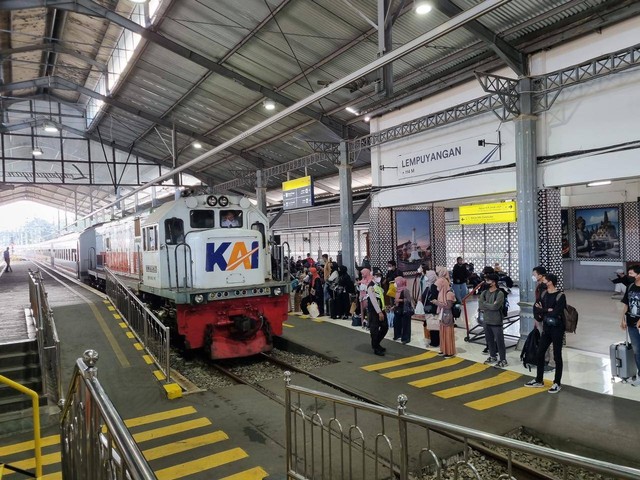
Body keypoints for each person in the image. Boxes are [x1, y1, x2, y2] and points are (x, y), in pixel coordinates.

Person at [525, 273, 567, 394]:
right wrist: (546, 310)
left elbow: (556, 312)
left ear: (551, 282)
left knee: (557, 355)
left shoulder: (560, 296)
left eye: (545, 280)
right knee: (540, 352)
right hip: (547, 327)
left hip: (557, 329)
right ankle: (539, 380)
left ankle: (557, 383)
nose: (543, 281)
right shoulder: (543, 294)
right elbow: (537, 308)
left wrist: (544, 311)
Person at [479, 273, 507, 368]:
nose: (486, 282)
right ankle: (492, 356)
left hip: (496, 321)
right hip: (486, 320)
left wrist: (486, 304)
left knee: (499, 341)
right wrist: (489, 305)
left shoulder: (499, 293)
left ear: (494, 282)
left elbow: (495, 307)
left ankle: (503, 359)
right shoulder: (484, 293)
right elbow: (481, 306)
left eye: (488, 281)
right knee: (489, 340)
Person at [620, 265, 640, 386]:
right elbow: (626, 304)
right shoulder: (630, 287)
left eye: (631, 274)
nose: (629, 276)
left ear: (639, 275)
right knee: (637, 350)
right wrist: (622, 319)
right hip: (632, 324)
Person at [432, 266, 456, 358]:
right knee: (442, 332)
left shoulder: (448, 293)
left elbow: (448, 306)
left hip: (447, 314)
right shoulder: (442, 292)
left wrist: (437, 303)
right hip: (443, 314)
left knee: (447, 333)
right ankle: (443, 349)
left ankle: (449, 351)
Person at [365, 268, 388, 356]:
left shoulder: (378, 286)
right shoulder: (371, 286)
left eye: (380, 275)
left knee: (385, 327)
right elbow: (373, 300)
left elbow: (381, 299)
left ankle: (377, 343)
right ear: (373, 276)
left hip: (381, 310)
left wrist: (383, 309)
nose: (379, 277)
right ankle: (375, 347)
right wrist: (379, 312)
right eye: (377, 275)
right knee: (374, 330)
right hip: (375, 312)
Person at [421, 270, 440, 348]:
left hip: (432, 309)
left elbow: (432, 298)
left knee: (434, 327)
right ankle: (433, 341)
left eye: (427, 276)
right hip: (429, 308)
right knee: (432, 326)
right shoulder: (430, 285)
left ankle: (435, 342)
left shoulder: (434, 287)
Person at [393, 276, 413, 344]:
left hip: (405, 310)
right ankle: (397, 335)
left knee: (405, 324)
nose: (395, 283)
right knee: (396, 322)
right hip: (398, 309)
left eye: (396, 282)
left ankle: (406, 338)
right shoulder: (397, 290)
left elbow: (409, 300)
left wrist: (400, 300)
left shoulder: (405, 290)